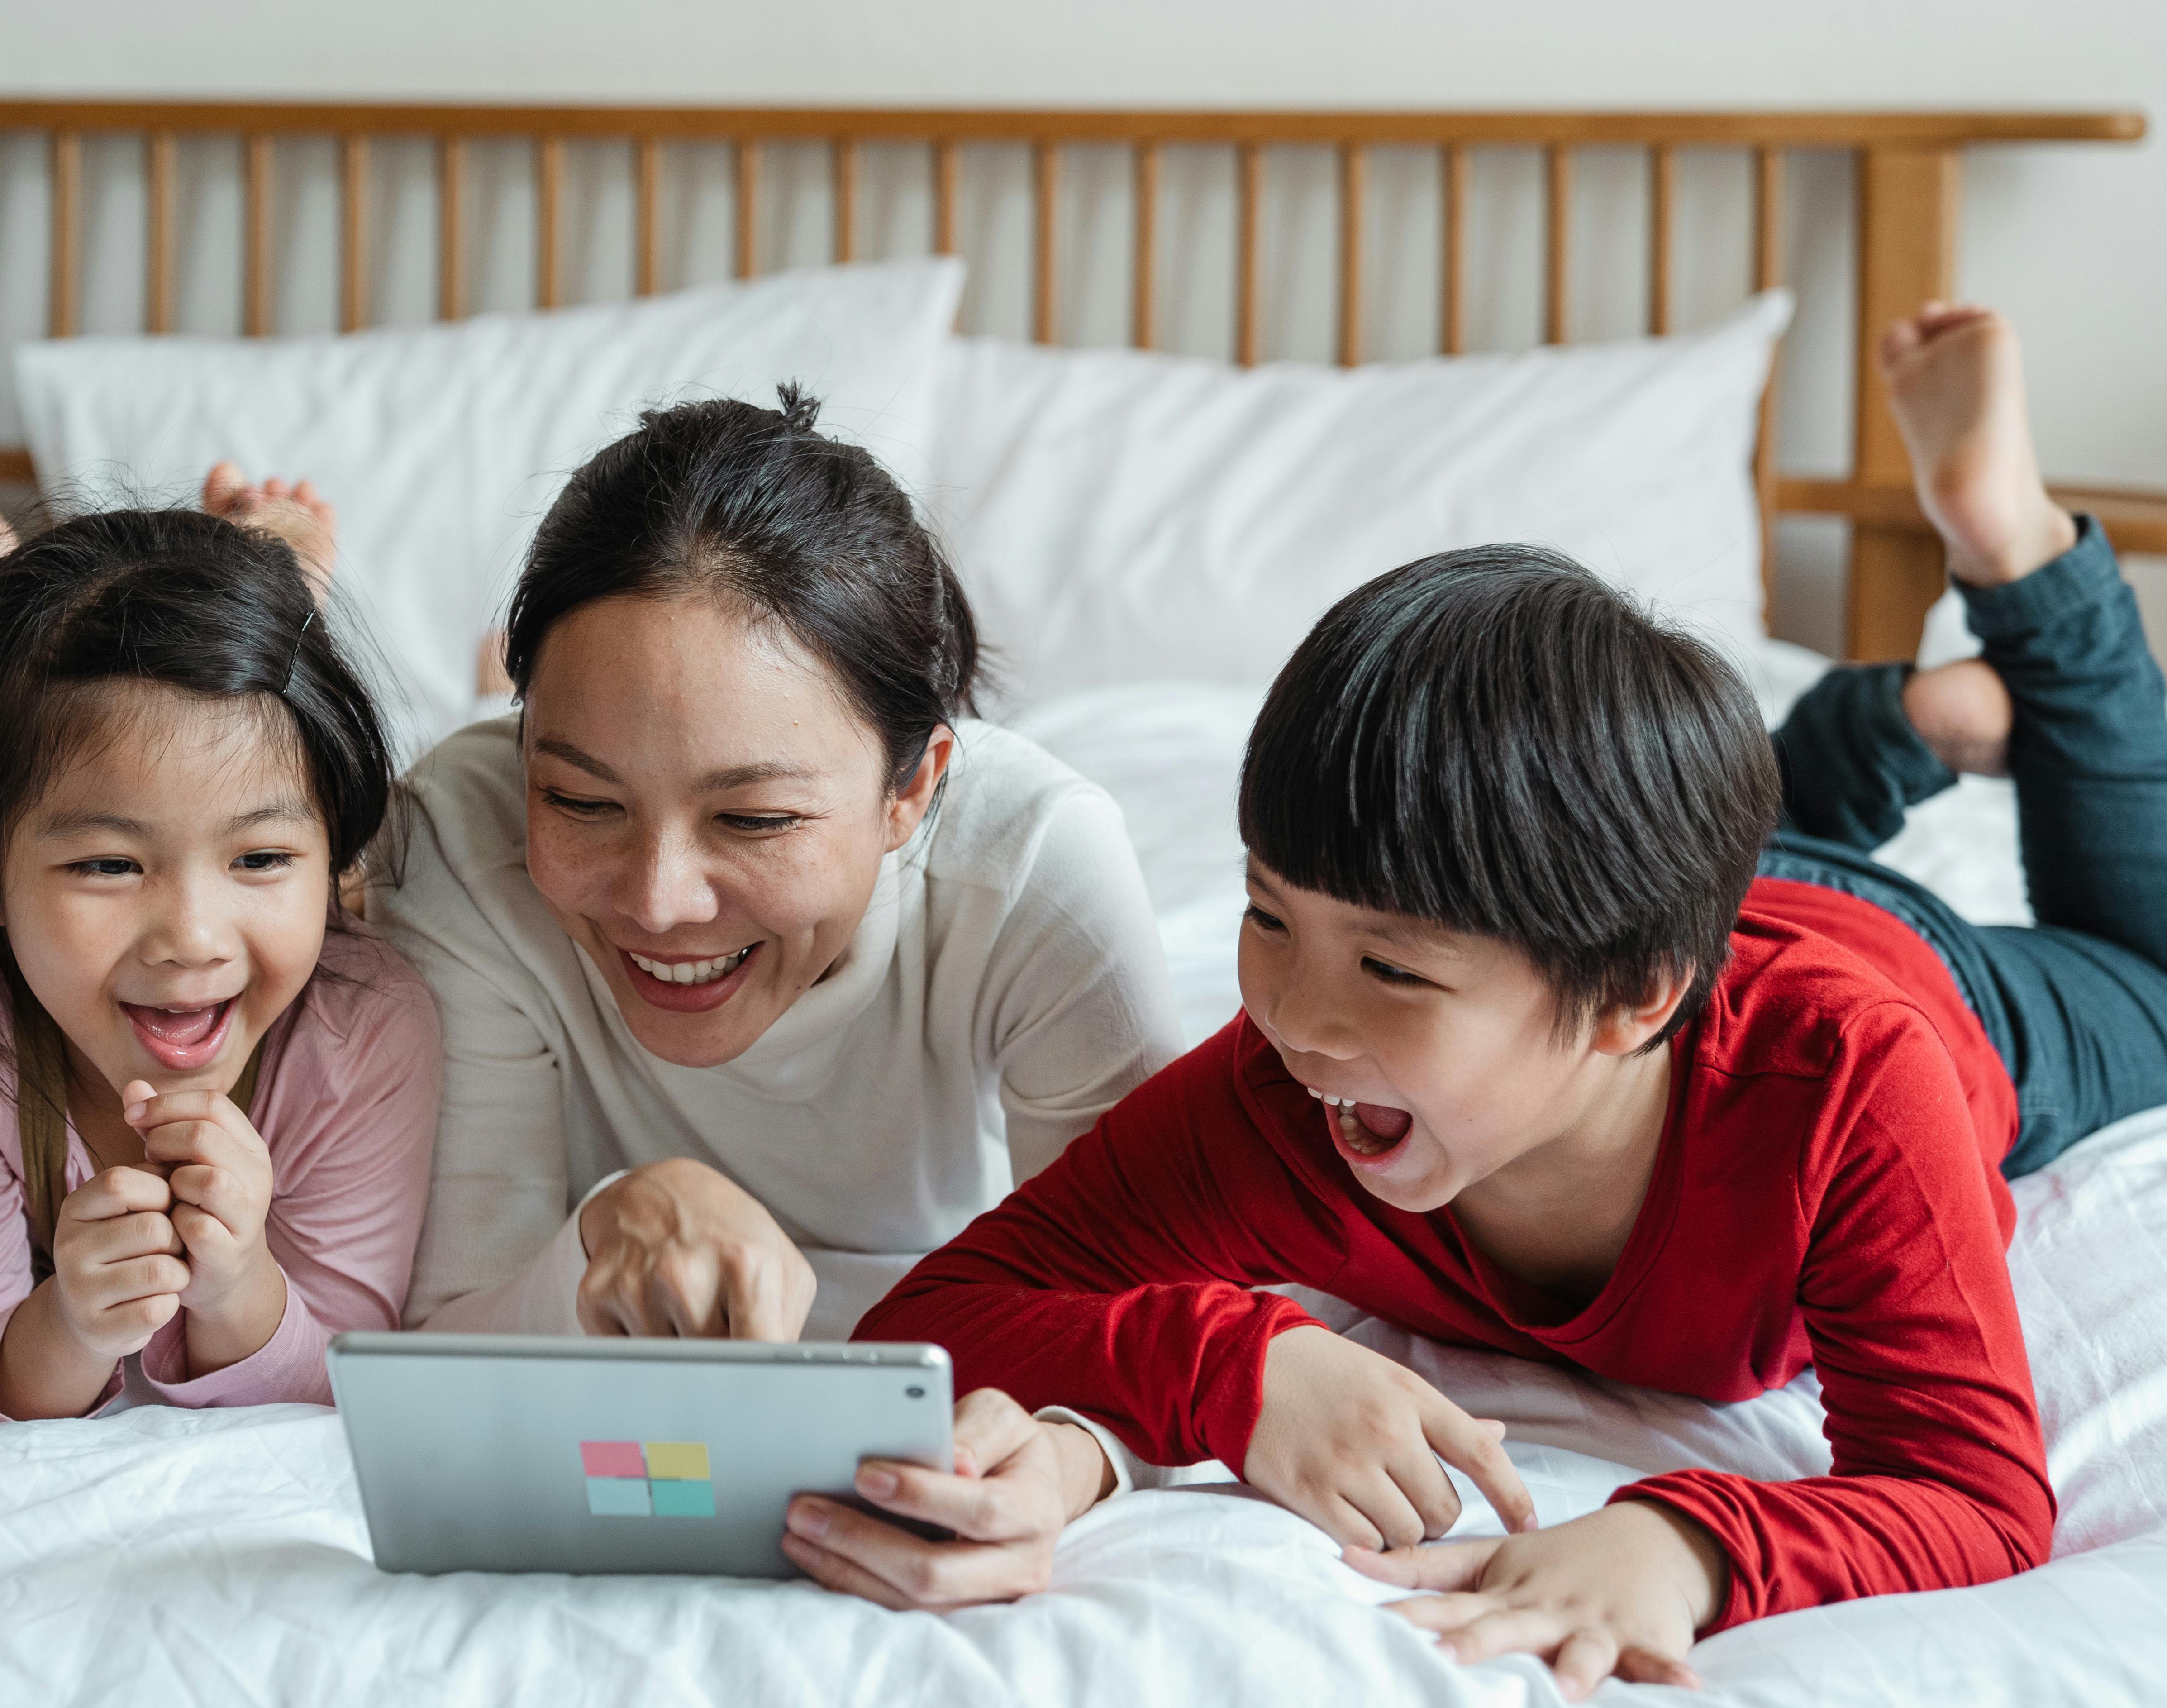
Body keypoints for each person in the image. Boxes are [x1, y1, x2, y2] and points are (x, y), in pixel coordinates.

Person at [811, 305, 2151, 1695]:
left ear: (1632, 998)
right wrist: (1232, 1363)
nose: (1294, 1014)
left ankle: (2013, 562)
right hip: (1651, 906)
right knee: (1695, 837)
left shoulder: (1849, 1083)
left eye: (1388, 965)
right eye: (1268, 914)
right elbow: (943, 1308)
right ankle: (1862, 742)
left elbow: (1971, 1491)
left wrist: (1683, 1545)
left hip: (1905, 958)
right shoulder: (1290, 1090)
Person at [372, 385, 1210, 1346]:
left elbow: (1152, 1322)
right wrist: (598, 1233)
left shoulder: (1031, 867)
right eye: (581, 801)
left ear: (912, 790)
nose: (658, 903)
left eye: (754, 818)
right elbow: (442, 1345)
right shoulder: (457, 842)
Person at [0, 479, 438, 1434]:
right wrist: (64, 1328)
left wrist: (240, 1290)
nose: (190, 938)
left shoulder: (369, 1026)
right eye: (107, 864)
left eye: (260, 858)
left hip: (301, 919)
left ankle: (222, 633)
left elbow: (350, 1378)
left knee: (263, 833)